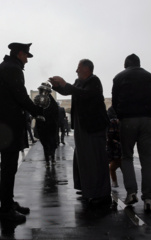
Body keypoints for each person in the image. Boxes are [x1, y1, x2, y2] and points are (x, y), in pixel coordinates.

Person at [0, 42, 43, 223]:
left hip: (5, 123)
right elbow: (21, 95)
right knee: (8, 167)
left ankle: (8, 203)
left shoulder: (6, 67)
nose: (27, 60)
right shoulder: (12, 69)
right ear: (19, 54)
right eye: (26, 56)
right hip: (7, 125)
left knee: (8, 166)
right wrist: (37, 111)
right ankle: (6, 210)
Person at [49, 59, 111, 207]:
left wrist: (65, 84)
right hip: (82, 126)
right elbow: (70, 91)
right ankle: (87, 188)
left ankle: (100, 193)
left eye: (78, 68)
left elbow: (85, 94)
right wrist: (57, 87)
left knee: (95, 159)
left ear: (87, 69)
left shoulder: (94, 81)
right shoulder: (78, 82)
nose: (76, 71)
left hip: (93, 126)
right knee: (83, 158)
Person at [112, 53, 151, 212]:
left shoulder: (119, 77)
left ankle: (131, 192)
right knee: (147, 160)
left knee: (127, 156)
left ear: (126, 65)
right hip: (147, 120)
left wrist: (120, 116)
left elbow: (115, 100)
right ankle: (149, 199)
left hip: (128, 121)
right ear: (139, 64)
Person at [34, 82, 59, 167]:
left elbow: (56, 114)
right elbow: (36, 112)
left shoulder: (53, 103)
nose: (42, 92)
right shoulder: (37, 100)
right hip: (42, 126)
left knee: (52, 142)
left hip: (51, 126)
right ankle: (47, 160)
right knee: (45, 143)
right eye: (41, 90)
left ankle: (52, 158)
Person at [106, 106, 121, 188]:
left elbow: (109, 137)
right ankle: (130, 188)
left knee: (112, 168)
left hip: (115, 148)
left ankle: (114, 183)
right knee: (123, 167)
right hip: (122, 147)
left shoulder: (111, 122)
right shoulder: (120, 121)